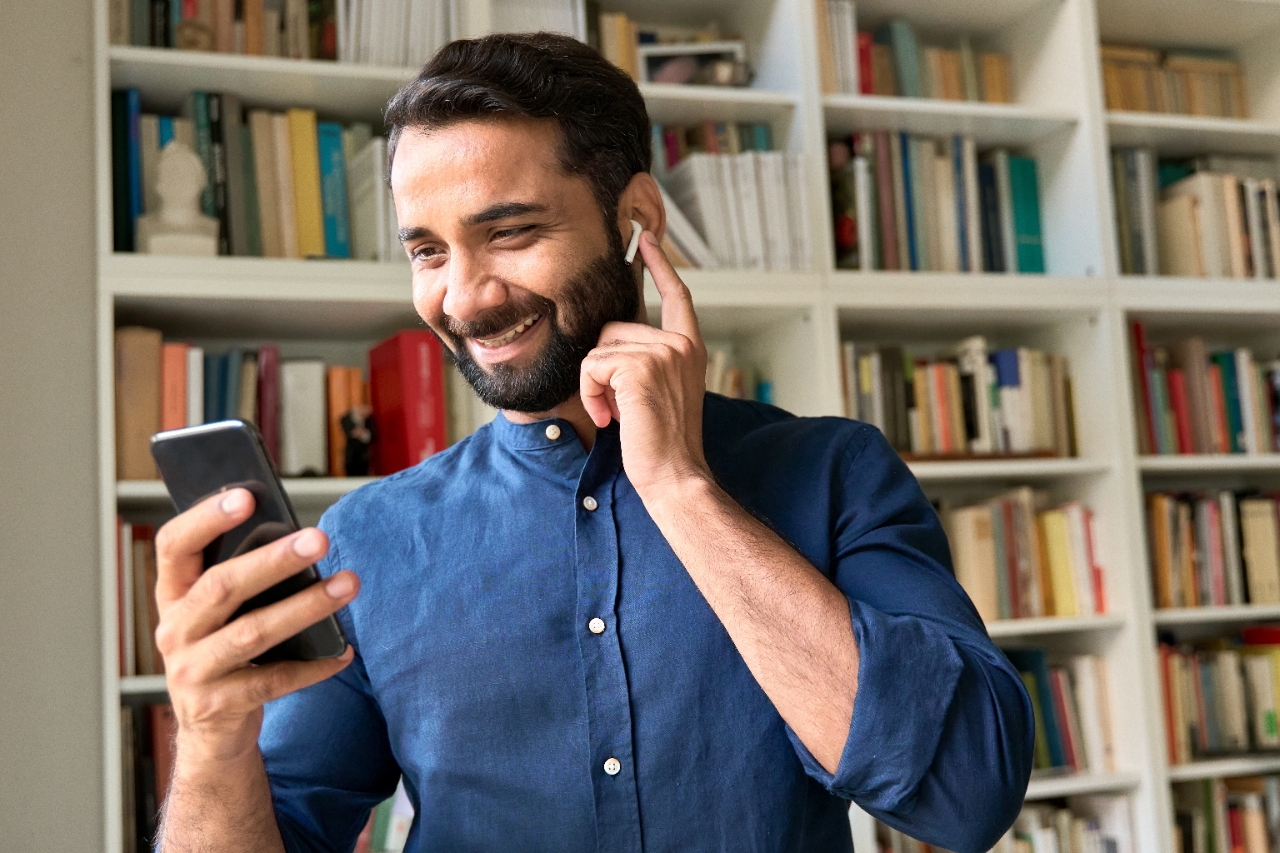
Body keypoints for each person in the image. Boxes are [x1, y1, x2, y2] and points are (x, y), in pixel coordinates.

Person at [152, 32, 1033, 853]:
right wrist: (211, 740)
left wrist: (684, 490)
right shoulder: (364, 542)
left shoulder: (835, 472)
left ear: (635, 217)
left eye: (510, 232)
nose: (464, 298)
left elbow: (965, 793)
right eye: (427, 251)